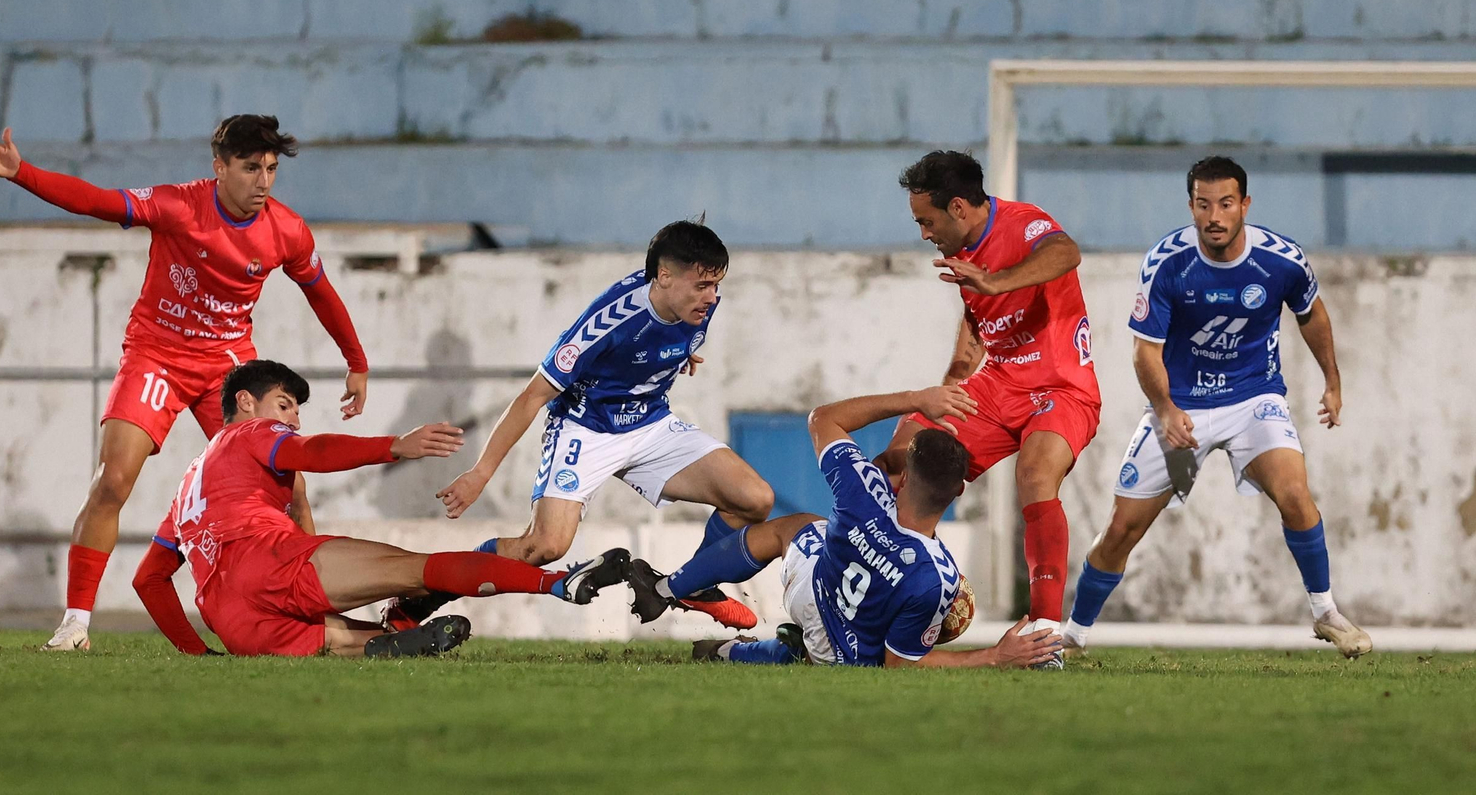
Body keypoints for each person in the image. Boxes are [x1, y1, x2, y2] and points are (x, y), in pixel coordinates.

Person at [0, 116, 371, 651]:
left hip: (228, 369)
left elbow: (320, 290)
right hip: (156, 354)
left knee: (290, 486)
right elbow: (97, 201)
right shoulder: (180, 206)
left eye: (272, 169)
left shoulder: (288, 230)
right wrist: (23, 174)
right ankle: (75, 625)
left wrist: (356, 360)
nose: (264, 182)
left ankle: (307, 609)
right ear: (219, 168)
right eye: (251, 168)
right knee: (113, 480)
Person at [1063, 156, 1371, 657]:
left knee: (1296, 494)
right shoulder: (1167, 263)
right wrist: (1163, 410)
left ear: (1244, 205)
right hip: (1179, 404)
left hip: (1255, 396)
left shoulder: (1282, 260)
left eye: (1226, 204)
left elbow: (1310, 313)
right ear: (1191, 206)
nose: (1214, 216)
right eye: (1203, 205)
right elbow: (1145, 351)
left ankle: (1326, 613)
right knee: (1122, 529)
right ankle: (1072, 637)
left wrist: (1332, 382)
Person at [133, 360, 628, 657]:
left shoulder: (186, 488)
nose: (293, 420)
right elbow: (315, 453)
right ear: (246, 402)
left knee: (369, 642)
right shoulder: (250, 432)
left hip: (233, 620)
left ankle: (398, 631)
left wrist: (199, 654)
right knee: (418, 570)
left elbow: (149, 579)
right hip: (267, 563)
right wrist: (394, 446)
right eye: (285, 405)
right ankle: (558, 583)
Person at [424, 221, 772, 630]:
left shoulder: (698, 305)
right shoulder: (606, 322)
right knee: (544, 546)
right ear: (663, 276)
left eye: (716, 285)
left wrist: (679, 355)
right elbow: (532, 396)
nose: (712, 297)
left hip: (649, 423)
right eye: (701, 286)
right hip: (585, 427)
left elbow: (663, 341)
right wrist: (479, 473)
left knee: (754, 499)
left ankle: (693, 585)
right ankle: (427, 591)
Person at [635, 385, 1058, 670]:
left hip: (809, 593)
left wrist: (913, 398)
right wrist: (995, 656)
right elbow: (900, 666)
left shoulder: (866, 492)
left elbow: (823, 418)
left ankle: (670, 588)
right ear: (959, 492)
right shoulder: (940, 577)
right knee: (871, 624)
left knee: (794, 528)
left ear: (905, 478)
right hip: (846, 655)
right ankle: (743, 652)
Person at [885, 150, 1101, 668]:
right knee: (901, 458)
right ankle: (877, 600)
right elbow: (975, 334)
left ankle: (1045, 637)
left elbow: (1067, 252)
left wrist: (997, 280)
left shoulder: (1023, 224)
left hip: (1062, 386)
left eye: (927, 221)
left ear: (958, 207)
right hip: (999, 384)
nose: (923, 234)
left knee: (1035, 472)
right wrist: (943, 396)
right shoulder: (965, 255)